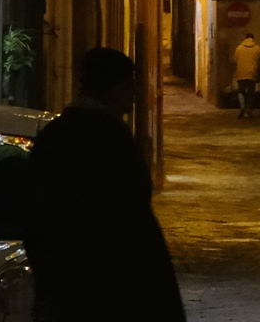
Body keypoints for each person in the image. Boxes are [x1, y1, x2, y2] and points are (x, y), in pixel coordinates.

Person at [23, 46, 186, 322]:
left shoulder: (54, 135)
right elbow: (131, 213)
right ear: (118, 88)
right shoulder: (112, 138)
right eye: (130, 87)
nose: (133, 97)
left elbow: (37, 214)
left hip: (66, 289)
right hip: (112, 290)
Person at [232, 33, 260, 118]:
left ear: (245, 38)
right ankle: (248, 111)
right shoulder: (258, 48)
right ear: (253, 39)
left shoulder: (239, 48)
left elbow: (235, 61)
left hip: (241, 73)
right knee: (250, 94)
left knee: (241, 92)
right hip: (252, 74)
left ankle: (242, 108)